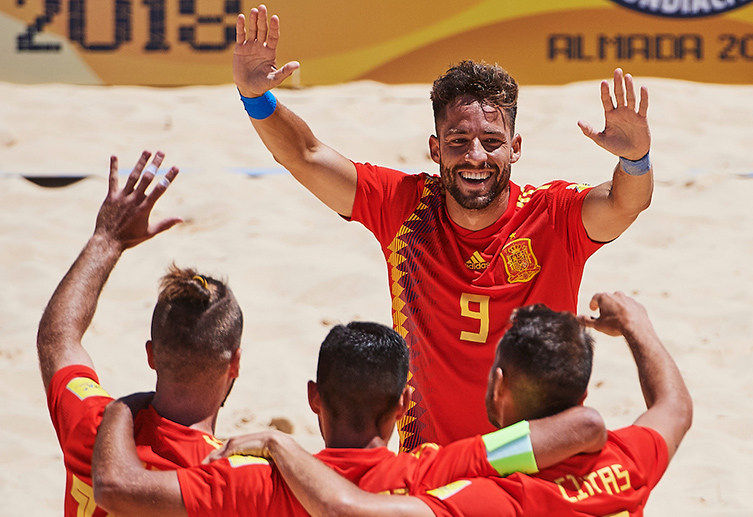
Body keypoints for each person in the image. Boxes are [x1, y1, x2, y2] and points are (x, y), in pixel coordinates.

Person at [234, 5, 654, 450]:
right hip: (432, 470)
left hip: (536, 464)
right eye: (458, 141)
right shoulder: (405, 208)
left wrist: (635, 160)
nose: (475, 155)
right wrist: (256, 98)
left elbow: (626, 202)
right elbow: (307, 156)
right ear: (435, 149)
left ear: (515, 148)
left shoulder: (552, 214)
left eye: (492, 142)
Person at [206, 292, 692, 517]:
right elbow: (675, 406)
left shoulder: (496, 495)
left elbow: (346, 510)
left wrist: (277, 444)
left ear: (499, 385)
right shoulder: (628, 462)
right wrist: (636, 324)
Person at [91, 321, 607, 516]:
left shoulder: (251, 483)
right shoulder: (439, 473)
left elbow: (116, 488)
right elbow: (584, 428)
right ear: (403, 406)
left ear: (314, 398)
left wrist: (123, 406)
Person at [37, 151, 245, 516]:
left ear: (151, 353)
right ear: (235, 363)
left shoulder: (93, 423)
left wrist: (107, 239)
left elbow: (58, 338)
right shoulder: (229, 482)